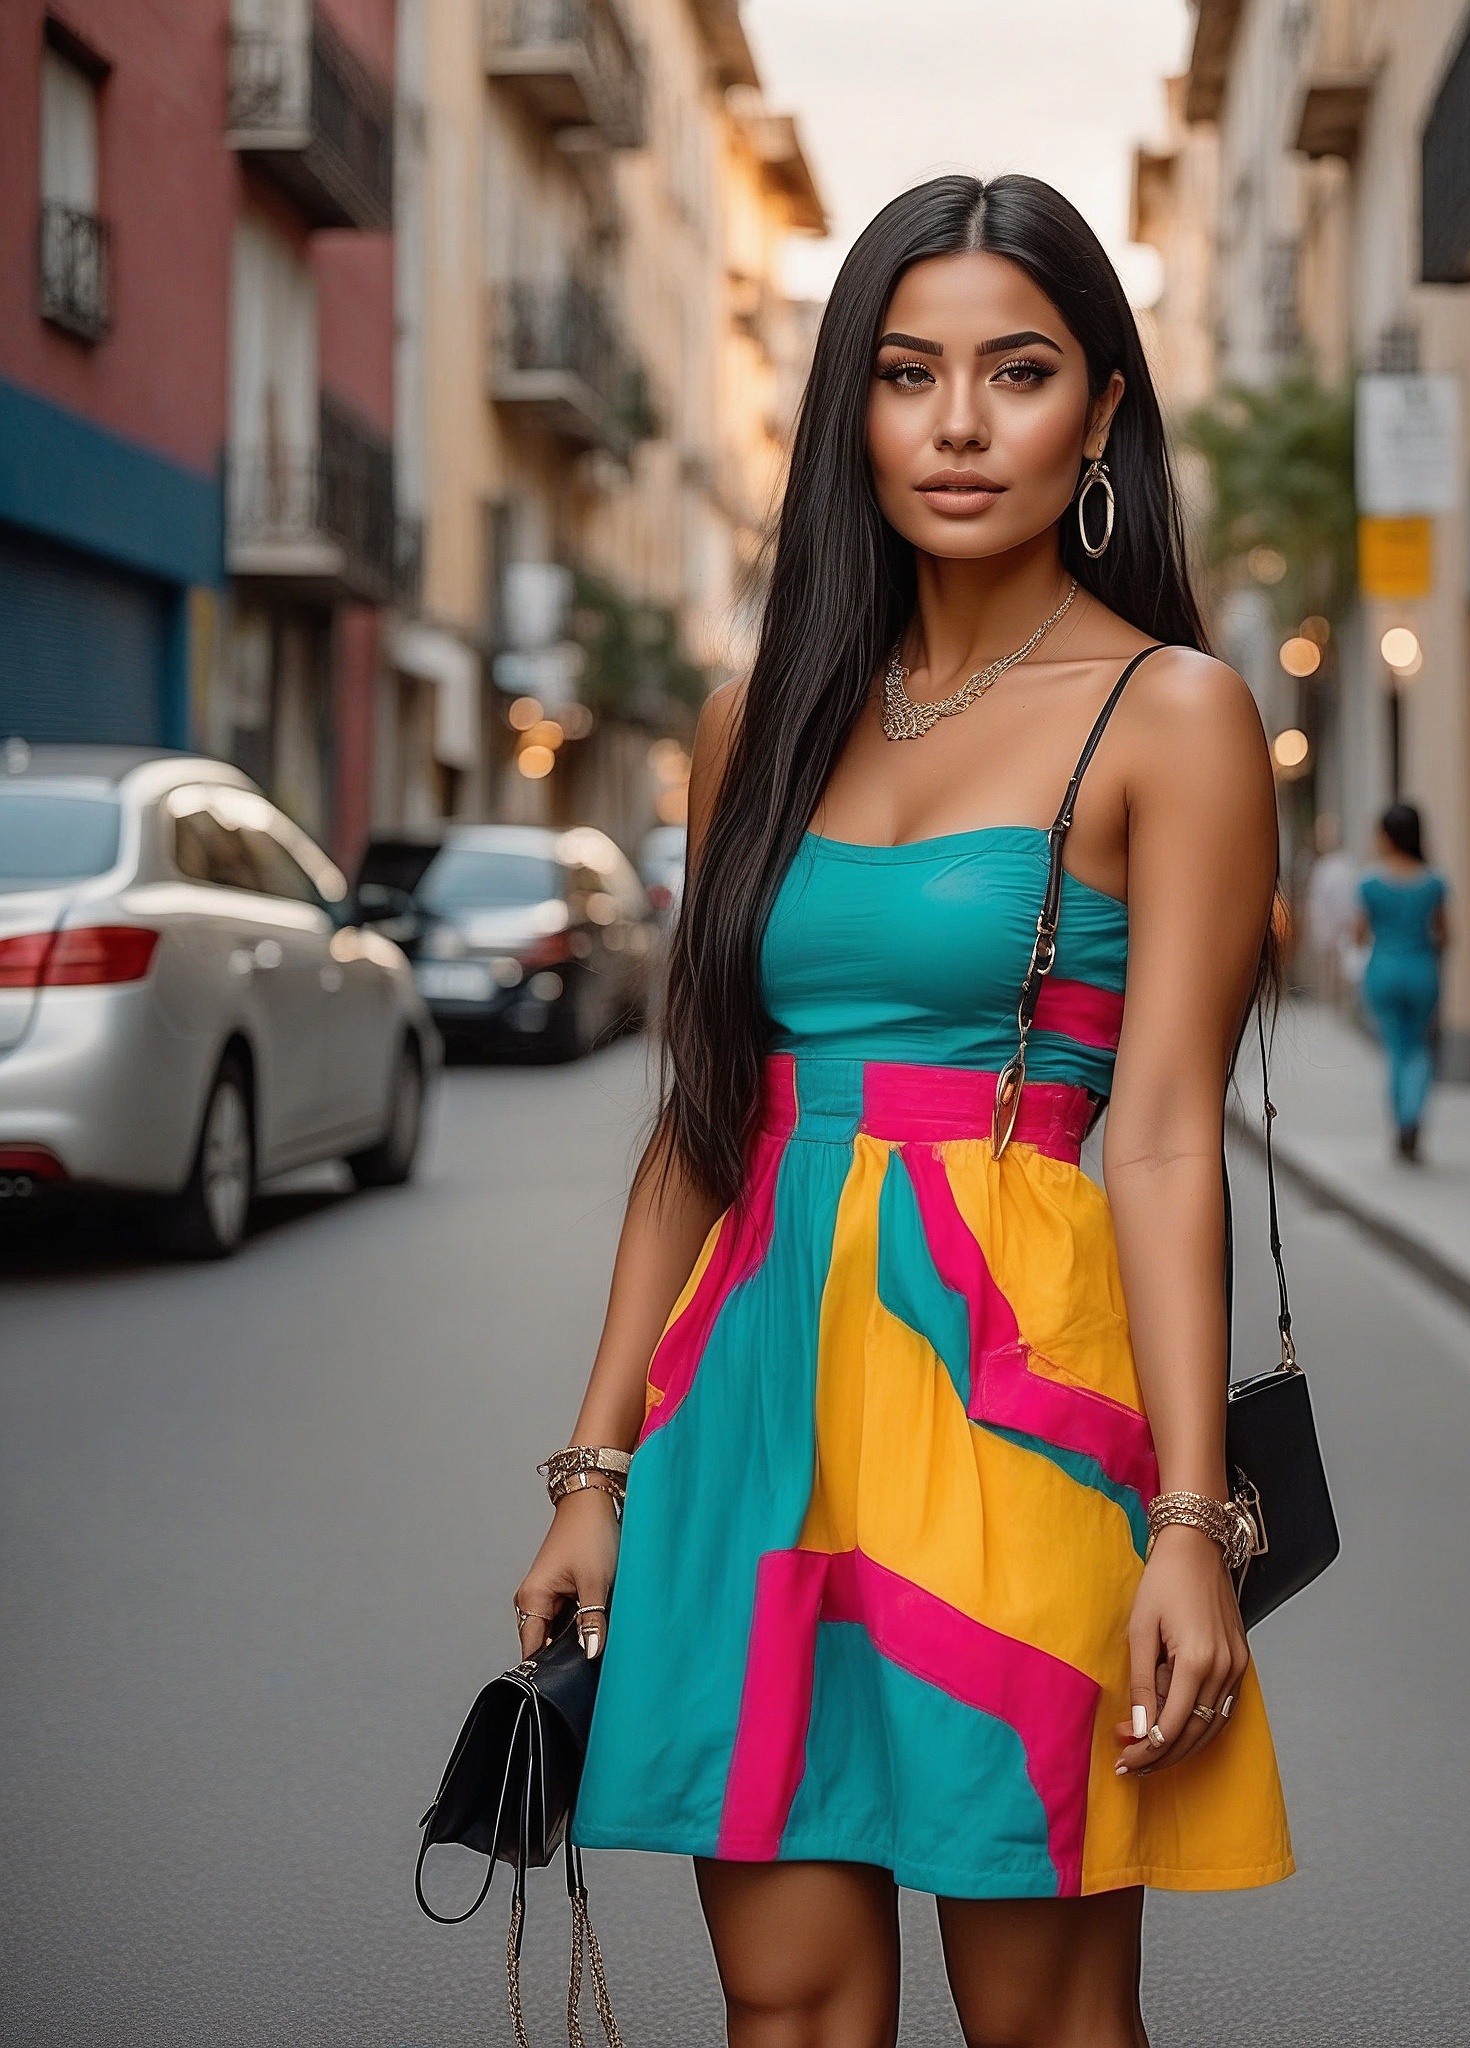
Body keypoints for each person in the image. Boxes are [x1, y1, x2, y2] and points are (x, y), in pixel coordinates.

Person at [513, 175, 1292, 2048]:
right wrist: (593, 1470)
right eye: (904, 373)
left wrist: (1192, 1516)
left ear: (1099, 408)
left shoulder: (1170, 712)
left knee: (1040, 2009)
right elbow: (703, 1119)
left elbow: (1168, 1131)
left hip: (1020, 1405)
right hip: (756, 1413)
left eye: (1014, 373)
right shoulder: (754, 715)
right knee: (783, 2004)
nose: (955, 426)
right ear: (846, 410)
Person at [1355, 802, 1449, 1163]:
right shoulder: (1434, 882)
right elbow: (1444, 934)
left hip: (1383, 971)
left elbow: (1360, 935)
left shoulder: (1370, 884)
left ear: (1388, 837)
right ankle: (1412, 1117)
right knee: (1419, 1049)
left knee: (1395, 1048)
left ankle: (1401, 1121)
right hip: (1421, 970)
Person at [1304, 813, 1360, 1008]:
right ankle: (1329, 1000)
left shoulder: (1342, 865)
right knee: (1330, 961)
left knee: (1341, 961)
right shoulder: (1326, 866)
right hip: (1328, 920)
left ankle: (1336, 1001)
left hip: (1340, 920)